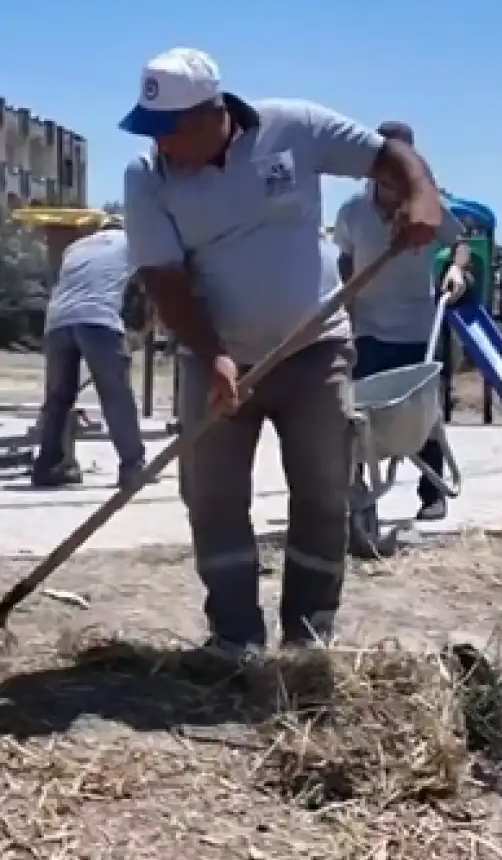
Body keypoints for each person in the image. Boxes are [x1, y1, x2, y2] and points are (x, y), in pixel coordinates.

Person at [121, 47, 444, 658]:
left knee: (324, 490)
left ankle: (310, 633)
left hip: (315, 350)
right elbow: (163, 277)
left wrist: (421, 193)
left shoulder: (295, 127)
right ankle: (235, 634)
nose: (159, 144)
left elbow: (388, 155)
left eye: (168, 130)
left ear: (210, 115)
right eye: (151, 130)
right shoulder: (147, 177)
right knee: (212, 497)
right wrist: (213, 353)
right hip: (213, 359)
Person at [334, 121, 471, 520]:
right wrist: (347, 296)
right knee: (359, 420)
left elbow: (459, 243)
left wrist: (456, 269)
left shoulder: (429, 205)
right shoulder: (353, 212)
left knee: (423, 416)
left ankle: (432, 493)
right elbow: (344, 256)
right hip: (369, 330)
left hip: (418, 326)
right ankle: (361, 498)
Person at [31, 216, 146, 489]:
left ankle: (48, 466)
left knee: (58, 399)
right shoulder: (133, 242)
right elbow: (148, 282)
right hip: (99, 319)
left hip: (58, 321)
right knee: (115, 396)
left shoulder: (77, 247)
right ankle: (133, 467)